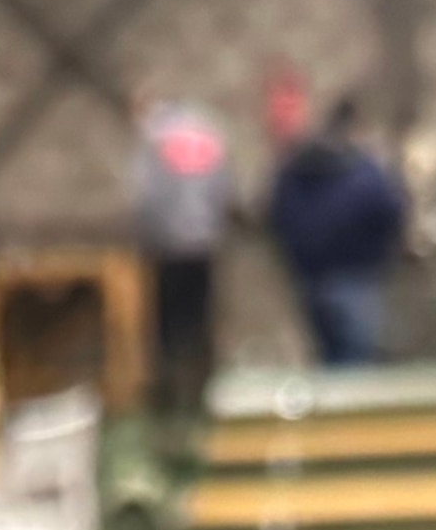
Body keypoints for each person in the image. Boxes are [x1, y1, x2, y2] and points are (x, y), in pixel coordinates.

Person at [267, 94, 408, 366]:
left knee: (331, 360)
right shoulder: (363, 169)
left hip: (309, 277)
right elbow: (390, 209)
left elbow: (276, 214)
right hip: (358, 276)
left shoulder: (296, 167)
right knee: (356, 363)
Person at [131, 92, 235, 414]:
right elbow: (225, 189)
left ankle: (171, 397)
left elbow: (144, 196)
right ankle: (205, 393)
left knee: (167, 327)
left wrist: (150, 236)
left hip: (167, 248)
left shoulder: (153, 140)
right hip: (204, 244)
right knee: (201, 320)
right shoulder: (210, 133)